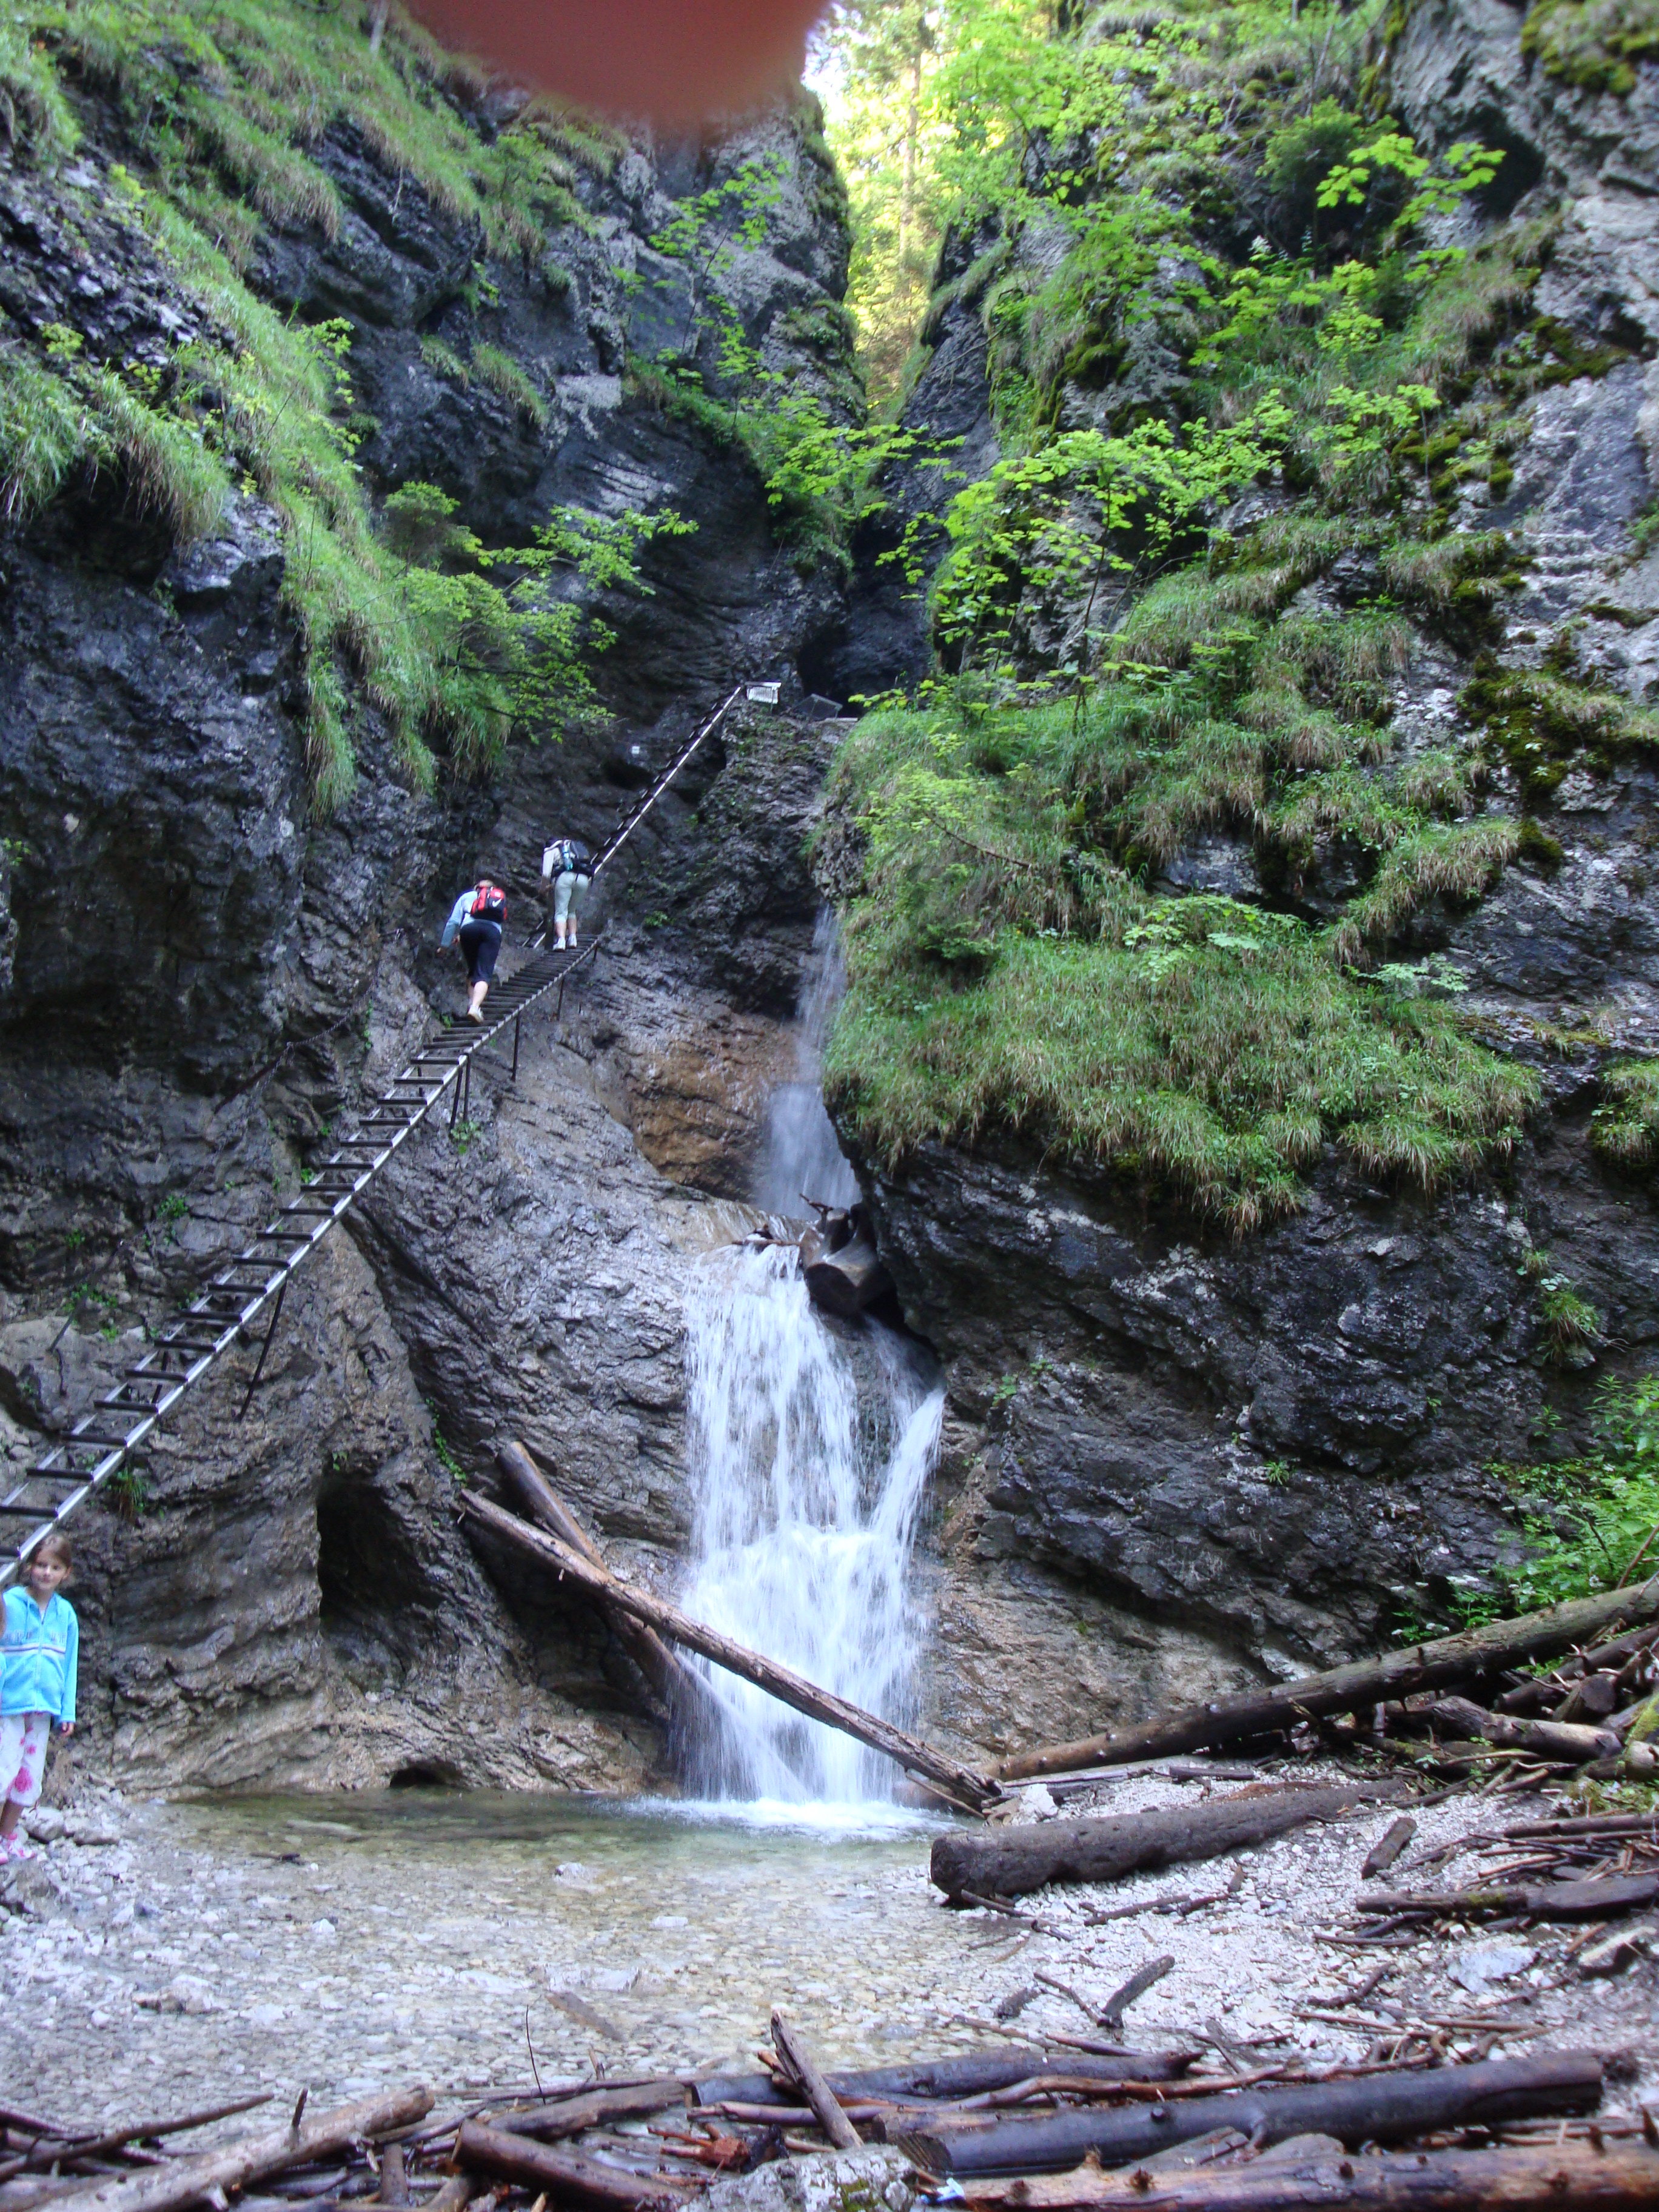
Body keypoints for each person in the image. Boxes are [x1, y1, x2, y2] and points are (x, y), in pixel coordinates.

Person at [1, 1532, 79, 1863]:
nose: (47, 1573)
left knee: (28, 1776)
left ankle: (7, 1836)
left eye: (55, 1567)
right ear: (29, 1566)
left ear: (66, 1573)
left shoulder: (66, 1615)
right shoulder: (10, 1603)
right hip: (9, 1705)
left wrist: (67, 1710)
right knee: (4, 1769)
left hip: (43, 1709)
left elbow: (70, 1665)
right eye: (41, 1565)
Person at [440, 877, 508, 1022]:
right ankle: (475, 1008)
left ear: (477, 888)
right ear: (492, 889)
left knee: (473, 970)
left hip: (468, 931)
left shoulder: (467, 896)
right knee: (484, 972)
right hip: (491, 933)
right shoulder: (497, 899)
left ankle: (472, 1003)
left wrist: (444, 946)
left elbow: (453, 922)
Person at [541, 837, 592, 950]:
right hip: (583, 879)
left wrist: (543, 889)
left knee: (561, 912)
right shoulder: (571, 847)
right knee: (572, 911)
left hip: (565, 878)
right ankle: (573, 939)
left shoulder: (550, 850)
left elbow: (546, 874)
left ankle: (561, 941)